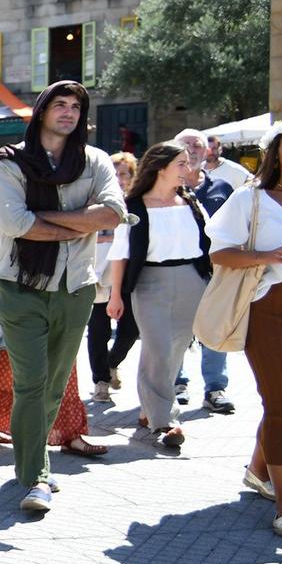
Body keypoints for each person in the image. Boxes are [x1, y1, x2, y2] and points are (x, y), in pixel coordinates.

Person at [0, 80, 126, 515]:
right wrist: (80, 223)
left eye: (75, 106)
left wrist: (43, 218)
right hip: (20, 285)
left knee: (53, 386)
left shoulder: (96, 161)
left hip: (76, 287)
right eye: (60, 104)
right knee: (31, 384)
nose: (68, 112)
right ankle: (36, 477)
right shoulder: (9, 163)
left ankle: (32, 462)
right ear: (43, 110)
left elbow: (113, 214)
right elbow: (16, 225)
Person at [0, 207, 107, 459]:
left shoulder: (68, 193)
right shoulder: (9, 194)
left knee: (62, 360)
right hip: (19, 286)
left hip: (63, 286)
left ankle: (69, 433)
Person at [207, 124, 282, 530]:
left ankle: (259, 472)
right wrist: (264, 254)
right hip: (268, 308)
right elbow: (220, 254)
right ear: (276, 152)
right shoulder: (250, 199)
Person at [109, 143, 212, 450]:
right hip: (149, 281)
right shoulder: (134, 206)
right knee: (157, 346)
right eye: (181, 163)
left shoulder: (190, 202)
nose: (187, 169)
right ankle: (165, 420)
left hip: (192, 281)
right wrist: (116, 295)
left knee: (176, 349)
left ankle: (149, 410)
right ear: (160, 167)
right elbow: (120, 254)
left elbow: (210, 240)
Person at [173, 130, 237, 415]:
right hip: (176, 271)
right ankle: (177, 384)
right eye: (186, 145)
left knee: (215, 328)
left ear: (208, 150)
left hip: (215, 270)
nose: (192, 150)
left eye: (198, 144)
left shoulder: (222, 187)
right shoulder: (163, 188)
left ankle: (215, 389)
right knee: (176, 330)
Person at [87, 150, 140, 403]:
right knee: (98, 330)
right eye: (115, 173)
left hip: (127, 275)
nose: (119, 178)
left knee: (130, 329)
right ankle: (100, 382)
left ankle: (111, 363)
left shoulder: (138, 202)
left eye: (124, 173)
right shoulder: (96, 201)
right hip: (98, 271)